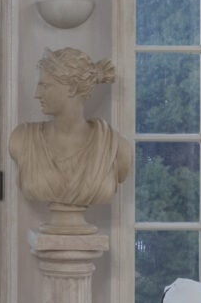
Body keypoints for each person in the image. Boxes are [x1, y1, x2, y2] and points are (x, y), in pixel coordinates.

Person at [8, 46, 134, 231]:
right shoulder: (22, 140)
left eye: (45, 85)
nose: (37, 94)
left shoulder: (115, 148)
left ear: (72, 88)